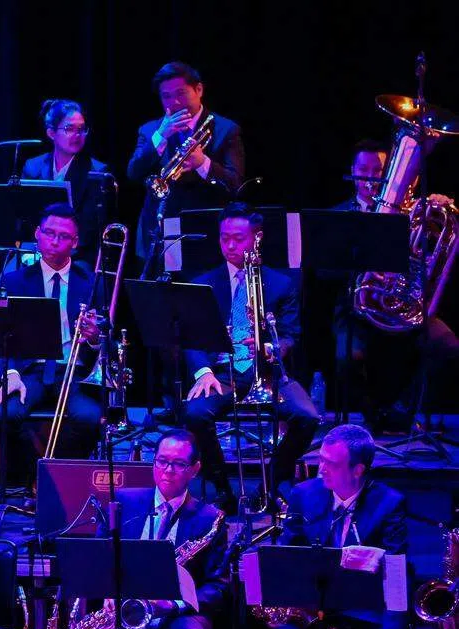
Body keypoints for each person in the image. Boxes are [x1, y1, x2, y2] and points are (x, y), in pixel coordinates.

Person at [244, 424, 407, 629]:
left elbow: (397, 575)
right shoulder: (304, 495)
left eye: (331, 463)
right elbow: (288, 554)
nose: (321, 469)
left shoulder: (389, 503)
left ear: (358, 470)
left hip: (366, 621)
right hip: (313, 617)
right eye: (321, 460)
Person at [183, 203, 319, 508]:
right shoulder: (203, 283)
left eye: (238, 238)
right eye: (224, 238)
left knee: (307, 416)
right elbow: (190, 337)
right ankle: (222, 488)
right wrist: (203, 372)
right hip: (222, 373)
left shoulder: (281, 284)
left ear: (256, 238)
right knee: (195, 413)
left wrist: (268, 347)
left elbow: (291, 335)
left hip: (269, 372)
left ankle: (271, 482)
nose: (230, 245)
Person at [103, 430, 227, 629]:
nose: (168, 470)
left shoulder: (210, 518)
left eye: (178, 464)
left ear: (195, 469)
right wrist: (109, 593)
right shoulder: (124, 502)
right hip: (131, 609)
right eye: (161, 461)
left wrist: (172, 604)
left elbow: (218, 586)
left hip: (183, 611)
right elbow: (102, 558)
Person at [331, 140, 459, 431]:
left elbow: (431, 256)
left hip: (404, 308)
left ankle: (402, 410)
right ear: (352, 171)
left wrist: (439, 210)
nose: (370, 177)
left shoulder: (414, 211)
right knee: (347, 357)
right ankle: (372, 416)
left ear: (388, 172)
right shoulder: (340, 215)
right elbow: (325, 271)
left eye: (377, 171)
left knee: (448, 347)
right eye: (363, 170)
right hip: (357, 310)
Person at [0, 203, 102, 484]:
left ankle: (56, 480)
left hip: (75, 371)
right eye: (49, 233)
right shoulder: (12, 282)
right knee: (1, 417)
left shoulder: (91, 283)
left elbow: (107, 336)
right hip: (30, 371)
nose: (54, 241)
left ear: (75, 243)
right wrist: (10, 374)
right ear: (37, 234)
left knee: (89, 418)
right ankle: (36, 480)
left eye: (63, 236)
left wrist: (94, 338)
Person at [126, 61, 244, 267]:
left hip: (205, 232)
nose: (175, 102)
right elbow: (133, 172)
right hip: (159, 232)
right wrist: (160, 136)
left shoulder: (226, 129)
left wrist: (203, 163)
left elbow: (235, 184)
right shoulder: (150, 130)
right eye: (166, 96)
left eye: (181, 93)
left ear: (199, 90)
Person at [22, 99, 113, 262]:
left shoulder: (97, 172)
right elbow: (26, 217)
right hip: (37, 251)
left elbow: (89, 229)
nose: (77, 135)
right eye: (69, 129)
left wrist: (55, 253)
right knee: (5, 276)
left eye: (82, 129)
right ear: (51, 133)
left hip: (77, 255)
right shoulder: (33, 167)